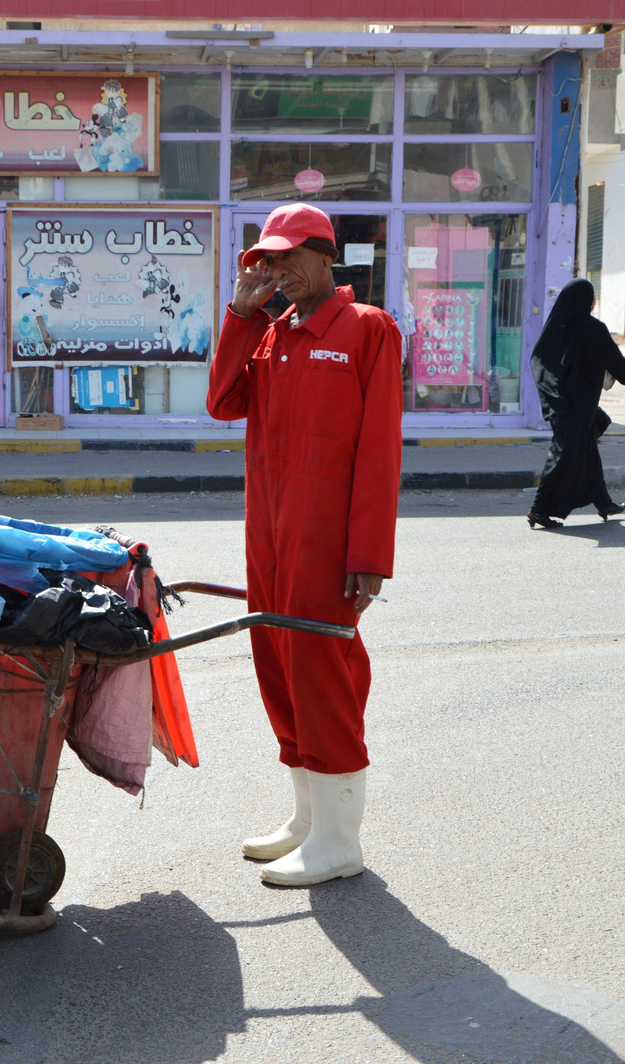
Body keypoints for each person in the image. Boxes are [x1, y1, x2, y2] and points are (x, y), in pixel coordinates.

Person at [208, 203, 402, 887]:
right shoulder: (270, 333)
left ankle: (339, 840)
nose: (278, 270)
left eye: (289, 256)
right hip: (269, 528)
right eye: (267, 258)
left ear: (327, 256)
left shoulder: (366, 330)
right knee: (278, 662)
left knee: (322, 672)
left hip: (328, 538)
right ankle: (307, 820)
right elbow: (223, 403)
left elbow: (379, 451)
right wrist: (241, 313)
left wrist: (369, 555)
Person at [526, 279, 625, 529]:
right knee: (563, 454)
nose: (594, 302)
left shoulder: (556, 328)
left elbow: (538, 359)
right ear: (586, 300)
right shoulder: (592, 328)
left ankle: (604, 502)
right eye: (593, 297)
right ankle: (538, 509)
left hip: (562, 404)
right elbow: (615, 360)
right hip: (578, 407)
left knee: (588, 451)